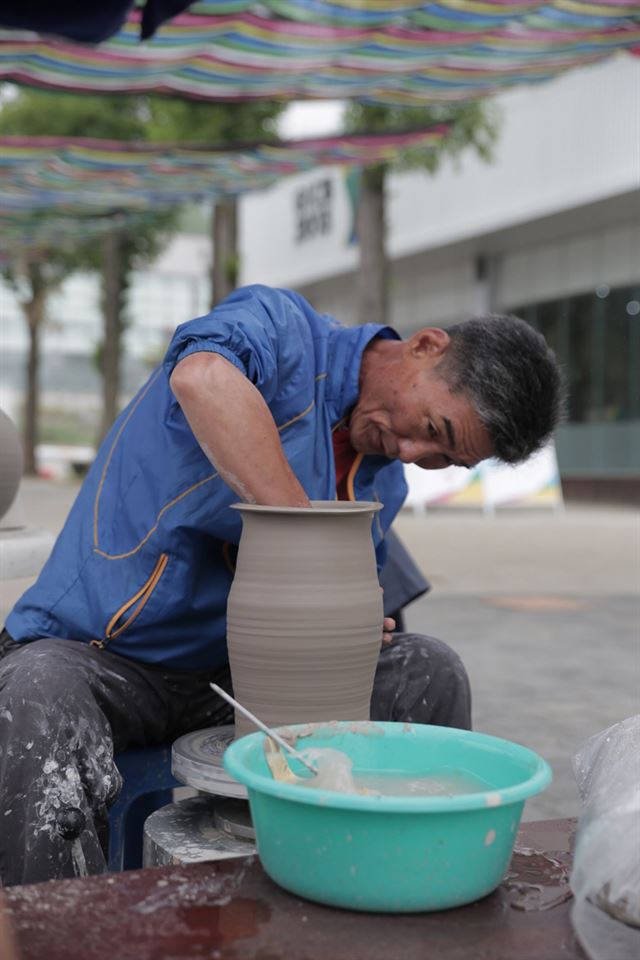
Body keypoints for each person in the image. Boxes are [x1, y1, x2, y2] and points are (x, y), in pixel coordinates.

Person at [0, 284, 563, 886]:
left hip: (234, 683)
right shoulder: (283, 332)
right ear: (426, 347)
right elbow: (202, 378)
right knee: (38, 686)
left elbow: (319, 625)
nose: (409, 449)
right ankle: (48, 928)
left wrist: (346, 630)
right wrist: (308, 554)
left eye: (442, 460)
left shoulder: (382, 485)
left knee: (428, 668)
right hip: (106, 661)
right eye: (431, 426)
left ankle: (394, 894)